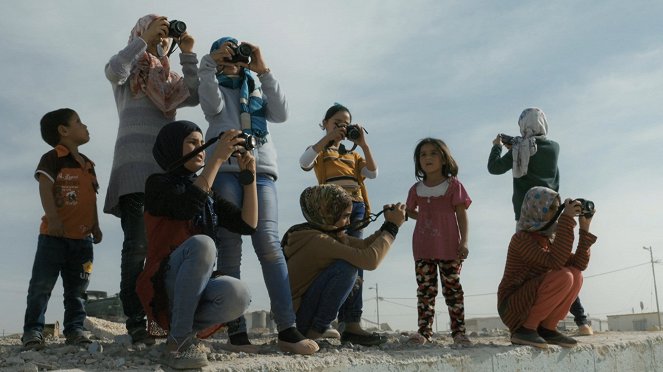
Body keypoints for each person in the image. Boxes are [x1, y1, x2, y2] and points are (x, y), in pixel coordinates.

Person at [198, 36, 317, 355]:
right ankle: (237, 333)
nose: (234, 55)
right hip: (223, 170)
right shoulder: (213, 82)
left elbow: (281, 113)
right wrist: (209, 64)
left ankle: (287, 329)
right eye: (227, 50)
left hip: (261, 169)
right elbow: (212, 107)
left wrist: (264, 70)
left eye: (238, 50)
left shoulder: (257, 85)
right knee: (229, 245)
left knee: (268, 242)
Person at [103, 14, 200, 344]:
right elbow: (113, 69)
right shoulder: (129, 75)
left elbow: (197, 94)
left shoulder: (168, 77)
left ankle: (161, 318)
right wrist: (142, 40)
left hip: (166, 175)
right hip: (133, 173)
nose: (161, 36)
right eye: (152, 28)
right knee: (137, 248)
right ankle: (134, 321)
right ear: (137, 34)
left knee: (167, 248)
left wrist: (186, 52)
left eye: (163, 32)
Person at [136, 121, 255, 369]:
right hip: (163, 285)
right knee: (203, 244)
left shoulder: (207, 194)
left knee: (240, 294)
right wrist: (217, 161)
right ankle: (179, 341)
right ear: (172, 147)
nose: (201, 149)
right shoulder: (157, 183)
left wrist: (249, 179)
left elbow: (247, 224)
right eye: (192, 142)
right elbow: (185, 207)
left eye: (203, 143)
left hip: (194, 291)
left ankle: (183, 334)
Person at [487, 107, 593, 336]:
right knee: (559, 267)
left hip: (530, 214)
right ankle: (581, 320)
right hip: (552, 212)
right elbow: (535, 151)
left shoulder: (520, 149)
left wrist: (498, 147)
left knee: (554, 268)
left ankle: (536, 325)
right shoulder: (553, 147)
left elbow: (494, 169)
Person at [298, 103, 382, 345]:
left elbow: (373, 173)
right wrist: (328, 139)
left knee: (357, 261)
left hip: (356, 207)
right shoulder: (321, 152)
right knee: (333, 260)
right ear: (325, 123)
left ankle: (352, 322)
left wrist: (363, 144)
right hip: (331, 210)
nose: (342, 126)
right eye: (337, 122)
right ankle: (324, 319)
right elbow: (304, 162)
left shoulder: (352, 154)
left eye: (346, 123)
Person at [282, 184, 406, 344]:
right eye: (345, 216)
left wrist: (386, 226)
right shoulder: (318, 240)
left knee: (349, 265)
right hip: (297, 320)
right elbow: (369, 260)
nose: (348, 222)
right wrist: (392, 228)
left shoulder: (322, 232)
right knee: (347, 269)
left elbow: (363, 246)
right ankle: (313, 334)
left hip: (300, 314)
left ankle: (314, 331)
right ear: (326, 213)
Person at [22, 108, 102, 350]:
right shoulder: (52, 158)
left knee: (78, 290)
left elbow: (91, 198)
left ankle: (75, 329)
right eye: (79, 121)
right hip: (53, 238)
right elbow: (45, 186)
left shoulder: (88, 164)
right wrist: (54, 219)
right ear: (64, 130)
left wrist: (96, 226)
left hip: (83, 241)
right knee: (41, 287)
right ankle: (33, 331)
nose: (85, 125)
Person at [497, 187, 597, 349]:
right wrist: (567, 220)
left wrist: (584, 228)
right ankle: (525, 329)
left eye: (557, 209)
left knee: (576, 275)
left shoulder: (548, 240)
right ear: (535, 209)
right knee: (565, 276)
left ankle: (547, 328)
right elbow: (555, 261)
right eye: (550, 209)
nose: (555, 214)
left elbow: (579, 264)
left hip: (529, 301)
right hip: (513, 306)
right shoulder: (521, 239)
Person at [405, 138, 472, 346]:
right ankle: (424, 332)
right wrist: (402, 212)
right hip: (423, 247)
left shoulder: (454, 186)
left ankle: (459, 333)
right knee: (425, 291)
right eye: (423, 154)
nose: (428, 158)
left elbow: (461, 215)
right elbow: (414, 213)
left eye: (433, 153)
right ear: (418, 161)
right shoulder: (415, 189)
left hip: (450, 246)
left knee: (453, 290)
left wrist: (465, 242)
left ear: (444, 158)